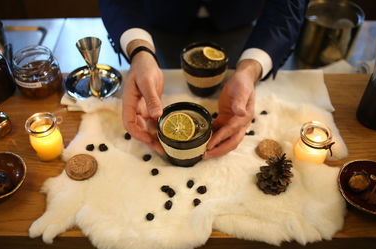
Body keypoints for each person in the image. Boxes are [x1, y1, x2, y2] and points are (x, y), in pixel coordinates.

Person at [99, 0, 307, 158]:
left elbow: (287, 7)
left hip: (241, 22)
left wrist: (249, 70)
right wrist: (140, 51)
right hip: (158, 21)